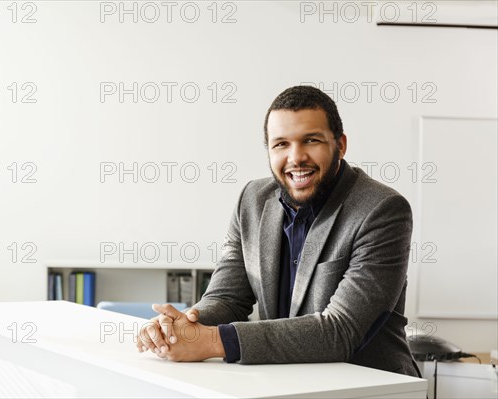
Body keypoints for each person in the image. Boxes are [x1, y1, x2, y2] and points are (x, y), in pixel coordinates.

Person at [136, 85, 420, 377]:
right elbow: (227, 298)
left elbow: (341, 330)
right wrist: (180, 327)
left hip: (373, 387)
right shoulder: (252, 200)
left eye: (311, 140)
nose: (296, 157)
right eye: (281, 144)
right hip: (285, 382)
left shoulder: (382, 210)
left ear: (341, 145)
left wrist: (214, 341)